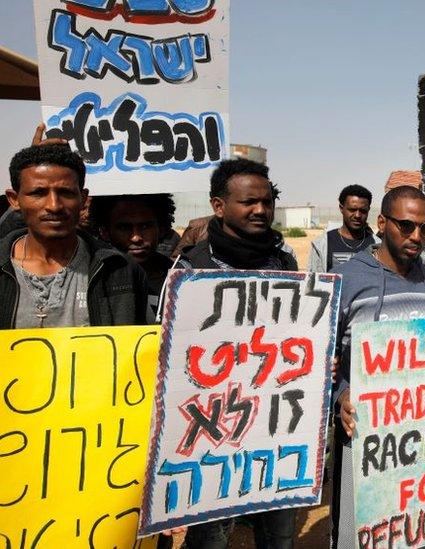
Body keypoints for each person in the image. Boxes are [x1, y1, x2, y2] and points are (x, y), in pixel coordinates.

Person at [173, 158, 298, 548]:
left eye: (267, 201)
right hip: (212, 432)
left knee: (278, 535)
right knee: (211, 536)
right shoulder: (191, 269)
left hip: (275, 429)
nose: (261, 210)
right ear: (218, 206)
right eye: (248, 202)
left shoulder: (285, 262)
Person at [330, 185, 425, 547]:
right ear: (381, 222)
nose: (417, 237)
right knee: (359, 536)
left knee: (417, 534)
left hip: (422, 441)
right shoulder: (347, 279)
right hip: (364, 438)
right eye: (406, 226)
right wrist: (340, 394)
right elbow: (321, 359)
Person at [1, 143, 150, 329]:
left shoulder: (120, 271)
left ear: (83, 198)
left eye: (66, 193)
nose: (54, 206)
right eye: (38, 193)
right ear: (14, 200)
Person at [90, 193, 175, 315]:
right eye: (125, 228)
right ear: (105, 232)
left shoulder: (181, 278)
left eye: (145, 226)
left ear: (161, 228)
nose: (136, 238)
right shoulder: (92, 282)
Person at [308, 184, 376, 272]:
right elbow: (315, 281)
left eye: (363, 211)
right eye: (352, 210)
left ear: (368, 210)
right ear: (341, 208)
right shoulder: (323, 244)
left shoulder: (377, 244)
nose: (358, 215)